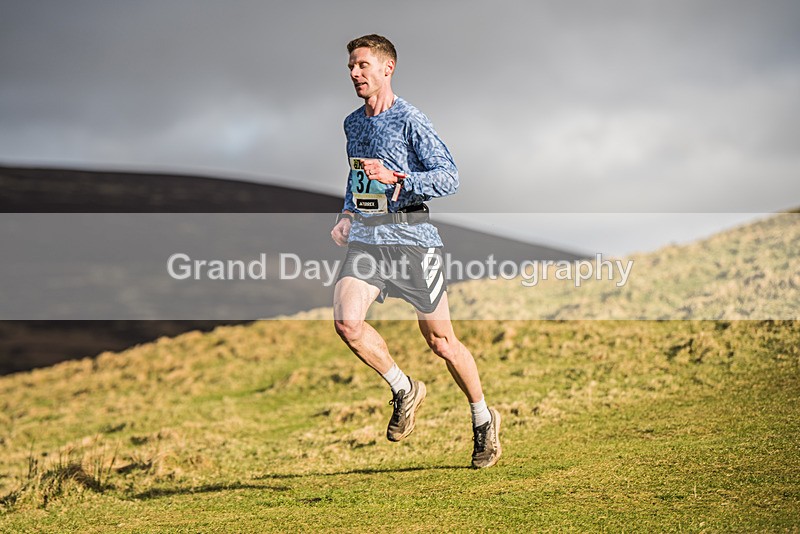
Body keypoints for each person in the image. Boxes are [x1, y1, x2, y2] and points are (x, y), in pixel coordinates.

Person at [330, 34, 501, 469]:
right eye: (351, 65)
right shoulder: (353, 124)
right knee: (347, 323)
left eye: (363, 65)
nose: (354, 73)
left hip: (412, 241)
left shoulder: (411, 120)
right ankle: (403, 388)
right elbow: (356, 179)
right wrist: (347, 213)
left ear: (387, 68)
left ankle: (483, 420)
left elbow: (449, 177)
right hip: (368, 239)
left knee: (441, 342)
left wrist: (398, 179)